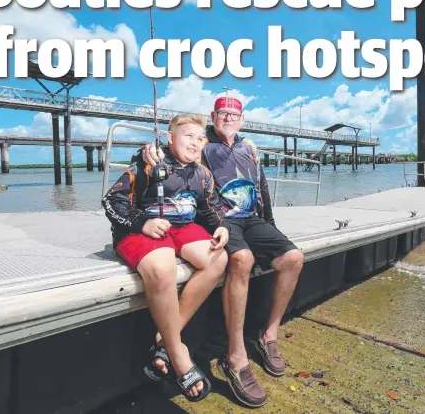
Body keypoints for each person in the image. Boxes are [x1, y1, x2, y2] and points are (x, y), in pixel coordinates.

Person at [139, 96, 304, 408]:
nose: (228, 118)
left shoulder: (250, 147)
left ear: (241, 120)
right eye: (222, 113)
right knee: (242, 259)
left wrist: (270, 226)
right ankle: (235, 356)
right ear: (213, 117)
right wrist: (151, 151)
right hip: (219, 219)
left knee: (294, 258)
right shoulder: (203, 143)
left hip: (252, 218)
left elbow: (262, 187)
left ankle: (269, 335)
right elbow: (176, 149)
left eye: (234, 114)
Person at [102, 113, 230, 402]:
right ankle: (178, 352)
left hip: (183, 227)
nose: (195, 143)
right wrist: (141, 223)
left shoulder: (202, 174)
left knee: (218, 259)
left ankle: (165, 339)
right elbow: (112, 200)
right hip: (142, 227)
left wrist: (222, 227)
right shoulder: (148, 162)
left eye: (200, 138)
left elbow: (212, 209)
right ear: (169, 138)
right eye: (188, 136)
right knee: (163, 267)